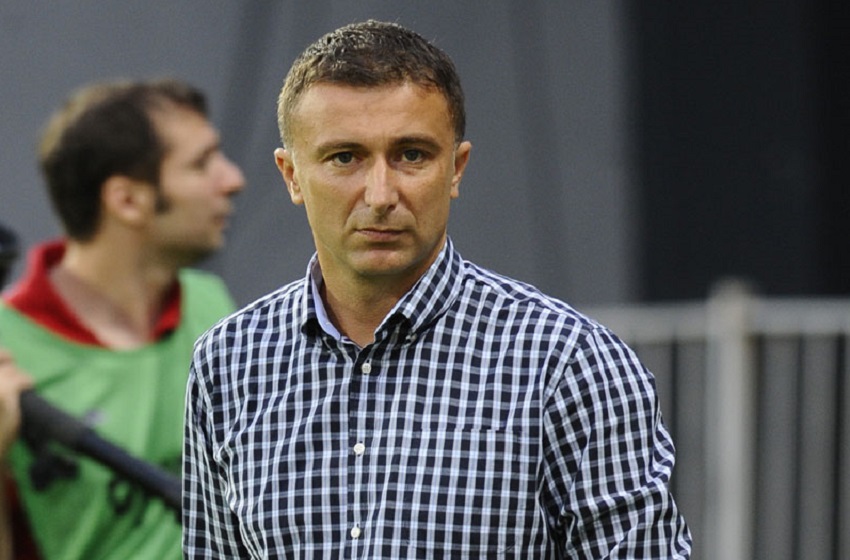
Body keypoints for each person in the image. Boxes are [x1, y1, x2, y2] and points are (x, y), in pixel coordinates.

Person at [183, 20, 692, 559]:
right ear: (291, 176)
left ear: (456, 168)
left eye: (411, 155)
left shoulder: (568, 364)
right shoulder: (229, 363)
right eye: (345, 157)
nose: (380, 194)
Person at [0, 78, 245, 559]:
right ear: (127, 201)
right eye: (201, 164)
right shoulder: (8, 347)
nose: (233, 179)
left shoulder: (210, 303)